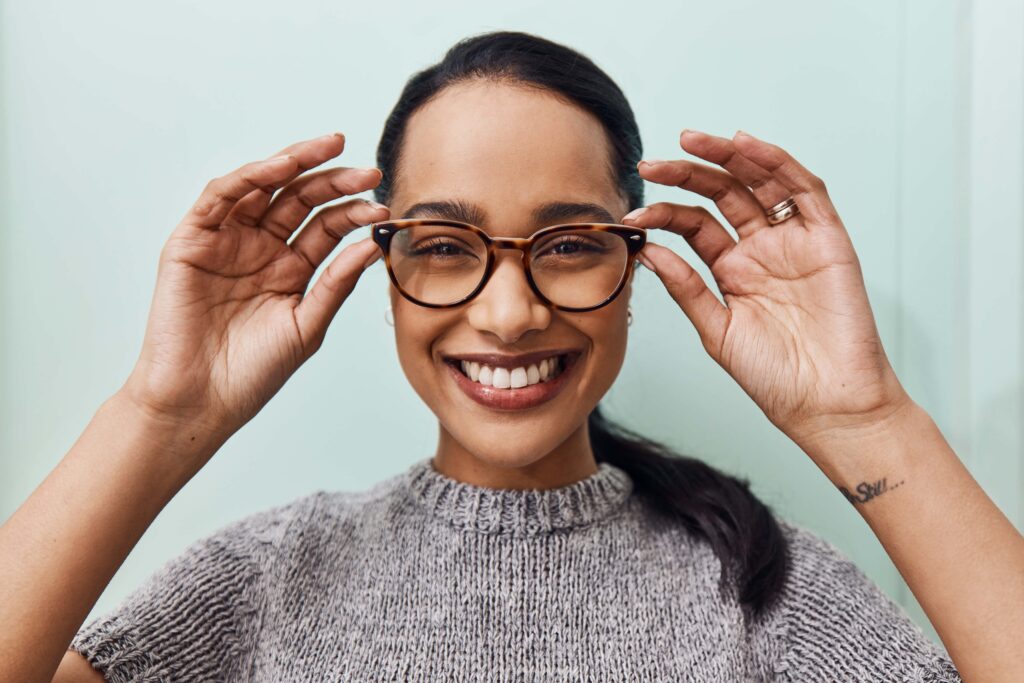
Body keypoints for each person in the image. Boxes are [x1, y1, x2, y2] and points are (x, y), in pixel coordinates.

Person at [1, 30, 1021, 683]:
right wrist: (161, 412)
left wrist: (865, 418)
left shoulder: (765, 588)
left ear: (636, 259)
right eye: (444, 247)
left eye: (569, 244)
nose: (508, 310)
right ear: (381, 262)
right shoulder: (267, 577)